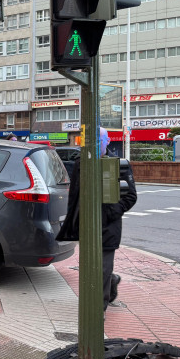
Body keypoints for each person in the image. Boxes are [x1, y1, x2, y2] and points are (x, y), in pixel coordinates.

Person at [56, 127, 137, 313]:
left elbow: (130, 197)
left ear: (108, 141)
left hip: (108, 228)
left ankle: (97, 312)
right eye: (88, 141)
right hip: (87, 227)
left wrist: (109, 213)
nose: (91, 145)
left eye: (97, 140)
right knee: (91, 269)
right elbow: (76, 195)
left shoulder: (119, 164)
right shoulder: (80, 163)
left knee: (101, 271)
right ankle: (112, 281)